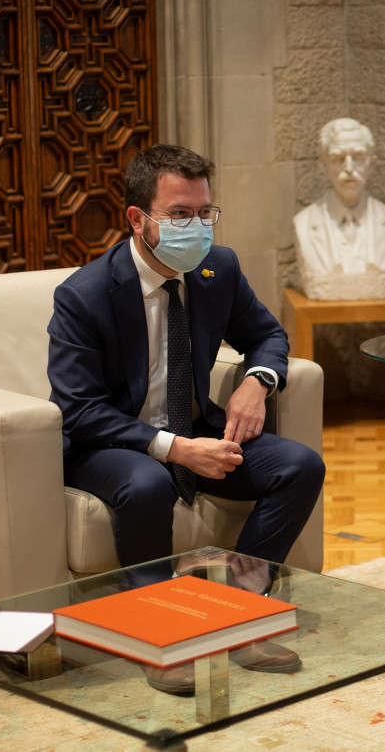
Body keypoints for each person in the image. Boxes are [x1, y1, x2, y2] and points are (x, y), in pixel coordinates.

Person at [47, 144, 325, 692]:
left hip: (196, 429)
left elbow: (267, 334)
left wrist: (256, 382)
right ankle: (162, 635)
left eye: (204, 214)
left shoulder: (216, 269)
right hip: (109, 446)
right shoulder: (84, 296)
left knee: (299, 465)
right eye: (179, 215)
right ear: (138, 219)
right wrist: (173, 448)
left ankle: (236, 618)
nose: (196, 227)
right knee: (147, 481)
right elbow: (77, 410)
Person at [293, 118, 385, 300]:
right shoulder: (304, 223)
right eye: (338, 159)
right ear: (323, 165)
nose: (349, 168)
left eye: (358, 157)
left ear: (372, 163)